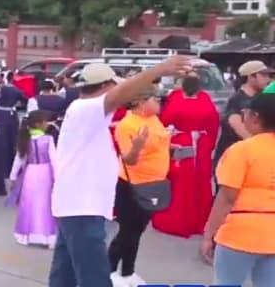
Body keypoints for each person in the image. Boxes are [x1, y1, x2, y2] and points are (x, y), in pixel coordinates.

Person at [48, 56, 190, 287]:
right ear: (105, 87)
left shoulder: (92, 118)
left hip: (76, 207)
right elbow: (119, 95)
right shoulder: (85, 109)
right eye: (115, 86)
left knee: (65, 276)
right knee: (94, 278)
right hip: (83, 208)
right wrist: (160, 69)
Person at [202, 93, 275, 286]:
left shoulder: (242, 150)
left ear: (255, 117)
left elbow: (227, 198)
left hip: (239, 234)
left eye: (246, 113)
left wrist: (209, 234)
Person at [108, 88, 170, 286]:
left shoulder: (153, 119)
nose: (160, 101)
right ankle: (108, 271)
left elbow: (157, 145)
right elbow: (129, 159)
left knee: (138, 231)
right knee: (127, 231)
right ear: (141, 102)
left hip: (154, 183)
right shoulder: (127, 125)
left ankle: (128, 272)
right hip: (132, 185)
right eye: (155, 98)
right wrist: (137, 146)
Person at [153, 75, 219, 238]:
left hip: (191, 142)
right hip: (188, 142)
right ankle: (188, 220)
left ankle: (194, 220)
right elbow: (213, 122)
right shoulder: (198, 97)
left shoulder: (183, 97)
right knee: (184, 179)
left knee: (195, 179)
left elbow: (166, 118)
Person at [214, 60, 272, 181]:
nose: (268, 79)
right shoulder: (237, 99)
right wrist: (258, 144)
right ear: (251, 77)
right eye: (263, 75)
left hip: (254, 157)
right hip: (233, 156)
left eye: (269, 75)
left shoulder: (262, 98)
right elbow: (235, 122)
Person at [5, 110, 56, 248]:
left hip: (30, 173)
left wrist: (13, 177)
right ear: (39, 124)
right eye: (46, 122)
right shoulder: (48, 139)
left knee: (28, 203)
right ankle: (46, 236)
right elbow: (54, 160)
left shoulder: (25, 140)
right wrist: (58, 177)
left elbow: (19, 160)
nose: (47, 124)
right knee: (46, 204)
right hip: (45, 173)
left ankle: (25, 235)